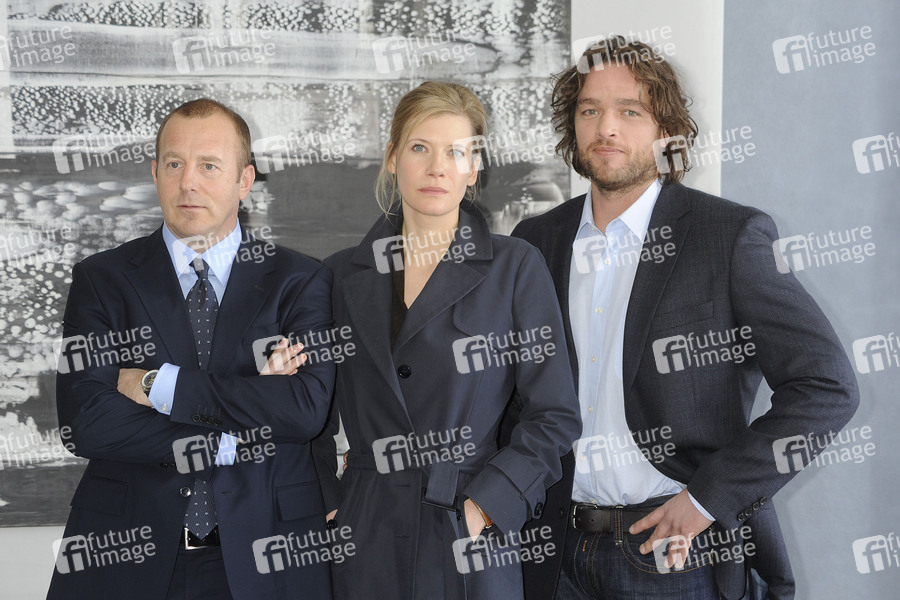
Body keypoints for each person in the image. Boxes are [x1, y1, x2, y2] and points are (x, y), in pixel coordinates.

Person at [510, 36, 859, 600]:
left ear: (667, 131)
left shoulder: (730, 236)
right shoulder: (534, 241)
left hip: (674, 556)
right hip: (551, 554)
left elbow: (827, 386)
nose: (606, 128)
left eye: (630, 111)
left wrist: (707, 500)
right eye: (589, 110)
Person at [48, 98, 336, 600]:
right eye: (175, 164)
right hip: (126, 555)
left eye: (209, 166)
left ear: (244, 180)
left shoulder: (301, 280)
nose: (188, 182)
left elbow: (303, 411)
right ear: (155, 172)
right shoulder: (102, 279)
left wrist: (156, 384)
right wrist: (238, 426)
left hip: (269, 554)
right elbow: (86, 421)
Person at [312, 81, 581, 600]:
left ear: (474, 167)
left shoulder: (515, 267)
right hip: (365, 533)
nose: (437, 168)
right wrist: (330, 500)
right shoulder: (339, 275)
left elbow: (555, 414)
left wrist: (489, 504)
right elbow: (311, 413)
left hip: (467, 535)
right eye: (420, 148)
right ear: (393, 158)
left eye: (456, 152)